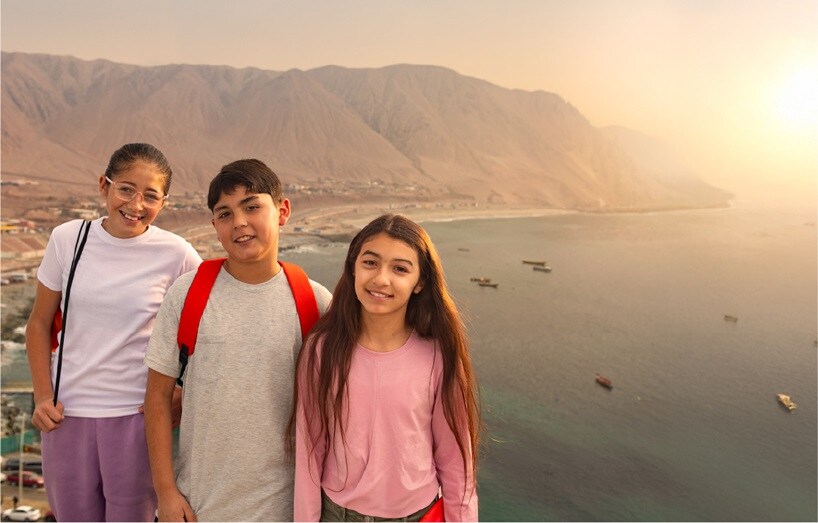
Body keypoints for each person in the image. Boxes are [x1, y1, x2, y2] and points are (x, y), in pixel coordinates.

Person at [143, 159, 332, 521]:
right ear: (214, 225)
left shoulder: (316, 303)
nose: (240, 223)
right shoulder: (188, 294)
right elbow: (157, 398)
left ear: (282, 210)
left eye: (251, 207)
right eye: (225, 214)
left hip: (287, 510)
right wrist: (166, 493)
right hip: (198, 507)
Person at [25, 143, 202, 522]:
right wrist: (42, 397)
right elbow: (39, 323)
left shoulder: (178, 254)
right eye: (126, 188)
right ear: (103, 185)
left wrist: (183, 393)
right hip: (65, 416)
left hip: (137, 421)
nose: (136, 204)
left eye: (150, 196)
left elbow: (207, 334)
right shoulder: (68, 239)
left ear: (164, 203)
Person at [291, 213, 481, 521]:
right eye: (370, 262)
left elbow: (457, 462)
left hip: (418, 516)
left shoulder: (438, 356)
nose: (381, 279)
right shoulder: (323, 350)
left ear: (420, 282)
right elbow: (310, 450)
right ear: (353, 267)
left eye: (400, 269)